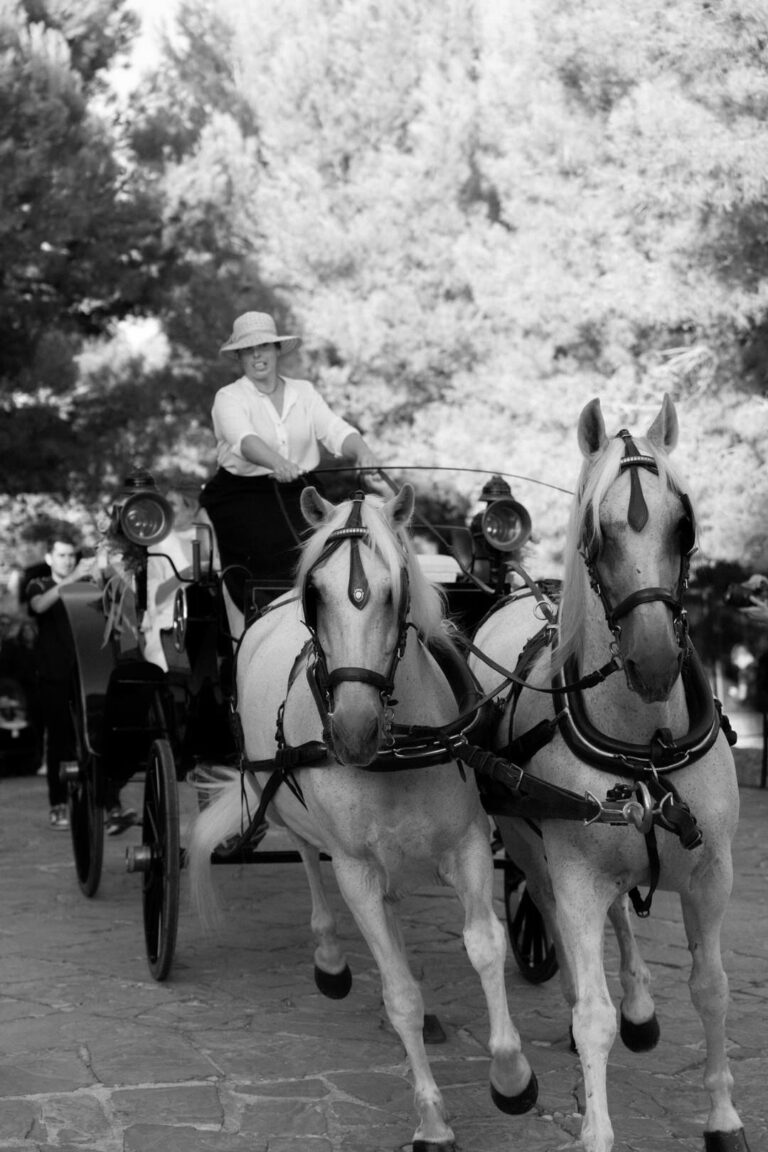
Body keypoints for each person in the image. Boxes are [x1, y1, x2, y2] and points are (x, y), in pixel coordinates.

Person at [199, 311, 382, 609]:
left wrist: (362, 450)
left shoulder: (304, 391)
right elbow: (243, 440)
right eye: (248, 350)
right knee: (264, 554)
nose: (257, 355)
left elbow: (334, 429)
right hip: (242, 496)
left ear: (276, 350)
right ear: (239, 358)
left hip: (300, 489)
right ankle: (259, 619)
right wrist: (276, 462)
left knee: (333, 543)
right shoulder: (228, 397)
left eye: (264, 347)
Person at [26, 534, 96, 829]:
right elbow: (40, 606)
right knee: (58, 740)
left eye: (72, 556)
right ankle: (58, 804)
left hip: (83, 672)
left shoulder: (85, 585)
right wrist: (71, 581)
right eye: (63, 555)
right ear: (50, 558)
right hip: (53, 674)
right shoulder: (39, 584)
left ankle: (100, 801)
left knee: (90, 736)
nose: (68, 561)